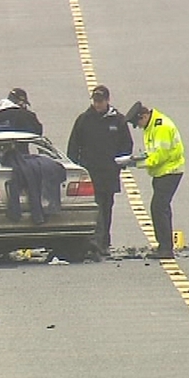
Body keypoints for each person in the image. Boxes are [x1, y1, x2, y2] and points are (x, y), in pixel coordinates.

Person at [67, 85, 133, 257]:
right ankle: (96, 243)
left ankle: (104, 241)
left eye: (100, 101)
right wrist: (75, 167)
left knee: (107, 206)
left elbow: (127, 144)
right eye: (95, 101)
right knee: (96, 207)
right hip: (90, 172)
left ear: (107, 100)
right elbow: (74, 145)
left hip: (109, 173)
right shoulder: (84, 120)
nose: (97, 104)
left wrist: (120, 163)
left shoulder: (118, 120)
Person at [123, 101, 185, 259]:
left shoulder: (161, 127)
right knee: (161, 208)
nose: (139, 126)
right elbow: (153, 152)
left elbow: (159, 156)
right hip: (162, 173)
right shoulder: (151, 126)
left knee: (158, 207)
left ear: (144, 116)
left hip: (170, 171)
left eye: (138, 123)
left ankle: (165, 248)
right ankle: (164, 245)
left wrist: (136, 163)